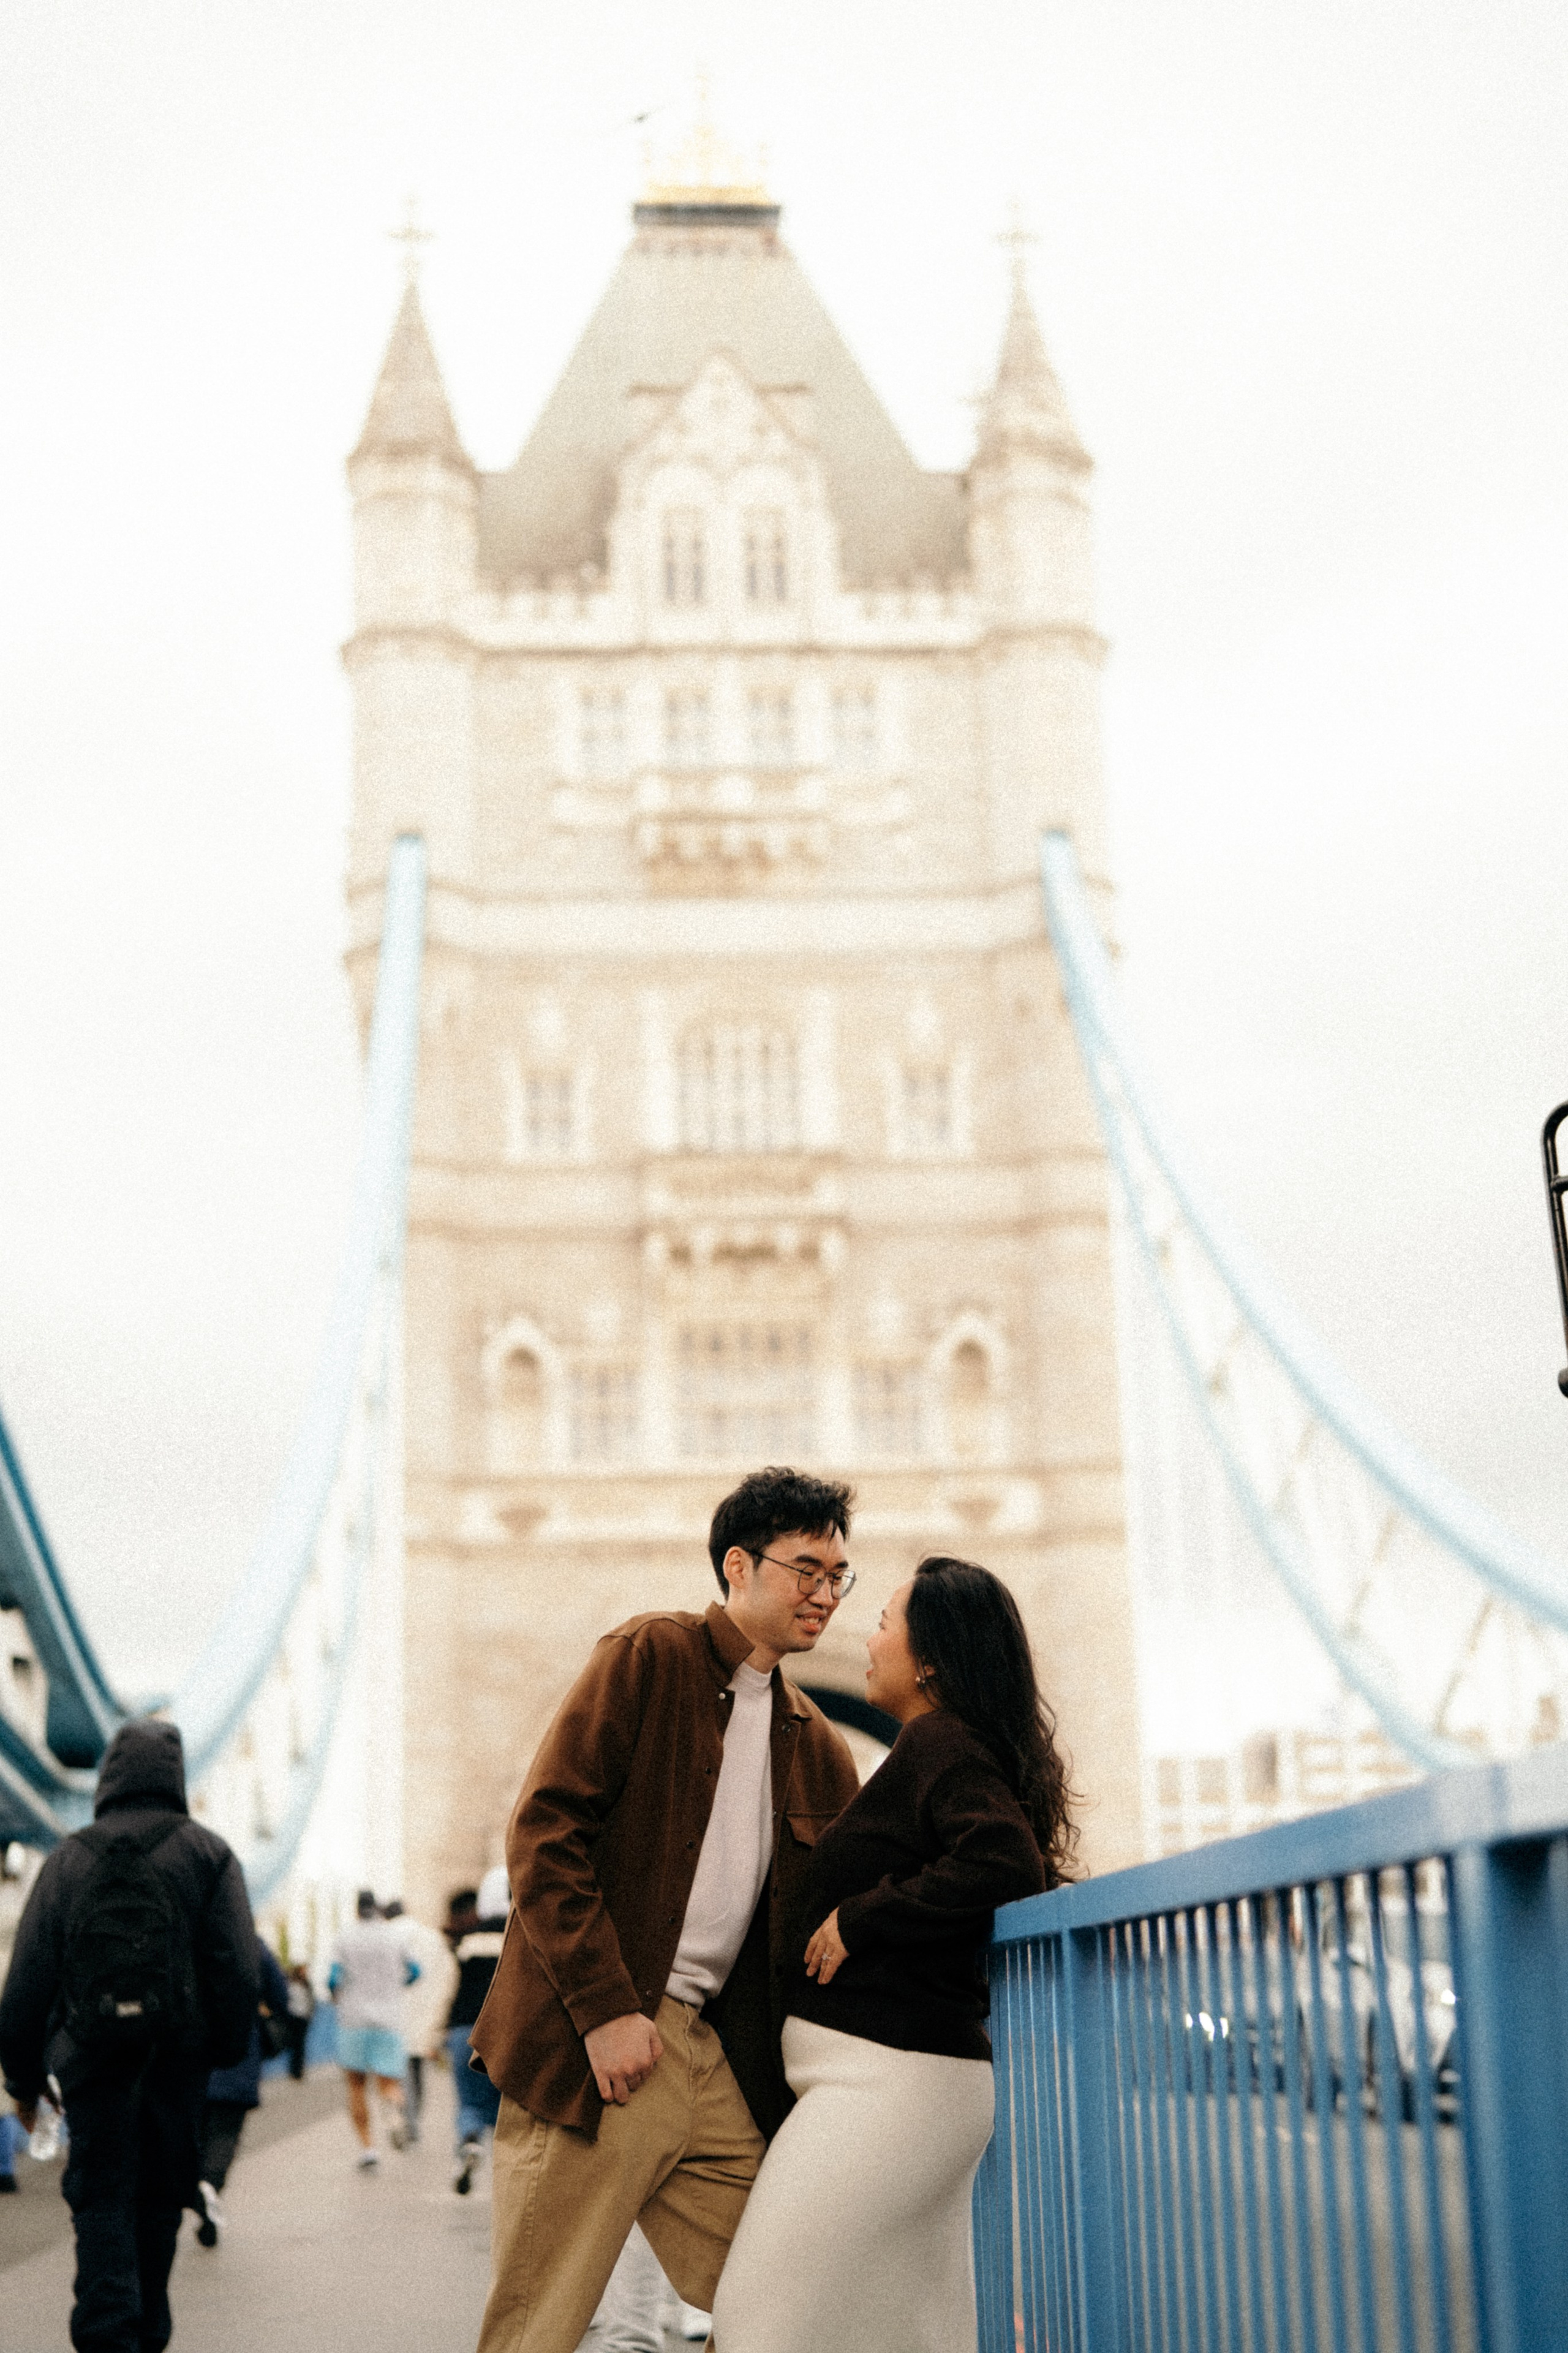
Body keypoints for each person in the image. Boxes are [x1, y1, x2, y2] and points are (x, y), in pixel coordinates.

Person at [469, 1465, 862, 2353]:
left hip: (706, 2056)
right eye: (806, 1569)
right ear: (738, 1566)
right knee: (535, 2328)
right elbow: (544, 1833)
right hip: (597, 2043)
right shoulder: (649, 1656)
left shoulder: (819, 1744)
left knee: (792, 2303)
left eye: (839, 1575)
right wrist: (605, 2009)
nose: (826, 1594)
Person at [712, 1554, 1075, 2353]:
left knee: (759, 2320)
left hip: (891, 2087)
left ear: (930, 1659)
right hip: (901, 2085)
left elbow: (1003, 1862)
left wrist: (862, 1917)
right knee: (908, 2332)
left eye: (883, 1624)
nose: (868, 1641)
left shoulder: (941, 1741)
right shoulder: (943, 1746)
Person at [0, 1718, 258, 2353]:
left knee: (101, 2205)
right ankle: (146, 2334)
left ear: (108, 1776)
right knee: (160, 2206)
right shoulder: (210, 1854)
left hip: (92, 2069)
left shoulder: (68, 1858)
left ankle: (107, 2334)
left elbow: (27, 1980)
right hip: (177, 2067)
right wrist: (221, 2052)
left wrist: (24, 2082)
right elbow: (237, 1968)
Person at [193, 1934, 290, 2246]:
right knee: (225, 2133)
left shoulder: (187, 1935)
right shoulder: (252, 1944)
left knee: (194, 2135)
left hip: (190, 2057)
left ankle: (198, 2191)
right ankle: (209, 2187)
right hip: (238, 2054)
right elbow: (280, 1995)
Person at [328, 1889, 421, 2169]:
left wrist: (339, 1995)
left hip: (354, 2020)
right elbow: (416, 1972)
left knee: (356, 2086)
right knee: (389, 2083)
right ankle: (392, 2109)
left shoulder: (344, 1937)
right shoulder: (395, 1936)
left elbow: (333, 1980)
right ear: (378, 1909)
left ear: (357, 1910)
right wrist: (395, 1987)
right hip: (389, 2019)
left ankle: (369, 2149)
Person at [447, 1864, 507, 2195]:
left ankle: (470, 2141)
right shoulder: (524, 1936)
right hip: (507, 2032)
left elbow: (451, 1988)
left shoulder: (467, 1941)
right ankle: (507, 2173)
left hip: (464, 2030)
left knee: (469, 2101)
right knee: (506, 2107)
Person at [382, 1898, 457, 2143]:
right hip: (426, 2015)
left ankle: (406, 2121)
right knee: (416, 2069)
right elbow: (449, 1973)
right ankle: (413, 2121)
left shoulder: (386, 1937)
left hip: (394, 2016)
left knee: (399, 2070)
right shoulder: (431, 1937)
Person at [281, 1963, 315, 2081]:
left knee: (300, 2046)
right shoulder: (290, 1984)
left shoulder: (307, 1985)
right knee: (295, 2045)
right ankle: (294, 2070)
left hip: (303, 2018)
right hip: (293, 2017)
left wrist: (310, 2014)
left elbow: (310, 2001)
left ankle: (298, 2071)